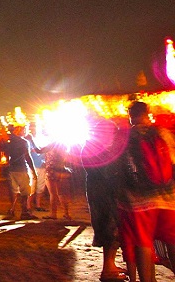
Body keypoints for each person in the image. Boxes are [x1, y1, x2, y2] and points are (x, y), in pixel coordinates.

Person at [118, 101, 175, 282]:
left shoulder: (125, 137)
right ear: (147, 113)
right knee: (172, 240)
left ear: (130, 115)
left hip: (138, 199)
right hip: (168, 196)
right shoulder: (163, 133)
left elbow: (120, 168)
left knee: (143, 242)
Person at [81, 116, 127, 282]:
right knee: (110, 229)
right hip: (103, 194)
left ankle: (110, 265)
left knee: (111, 229)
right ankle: (108, 269)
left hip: (100, 191)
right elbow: (105, 172)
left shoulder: (93, 147)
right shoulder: (95, 149)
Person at [3, 125, 38, 219]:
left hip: (11, 169)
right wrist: (33, 170)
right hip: (21, 168)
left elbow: (5, 154)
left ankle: (12, 209)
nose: (26, 131)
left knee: (13, 191)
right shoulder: (24, 142)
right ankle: (24, 212)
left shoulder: (9, 142)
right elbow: (27, 157)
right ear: (20, 130)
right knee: (25, 191)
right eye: (25, 129)